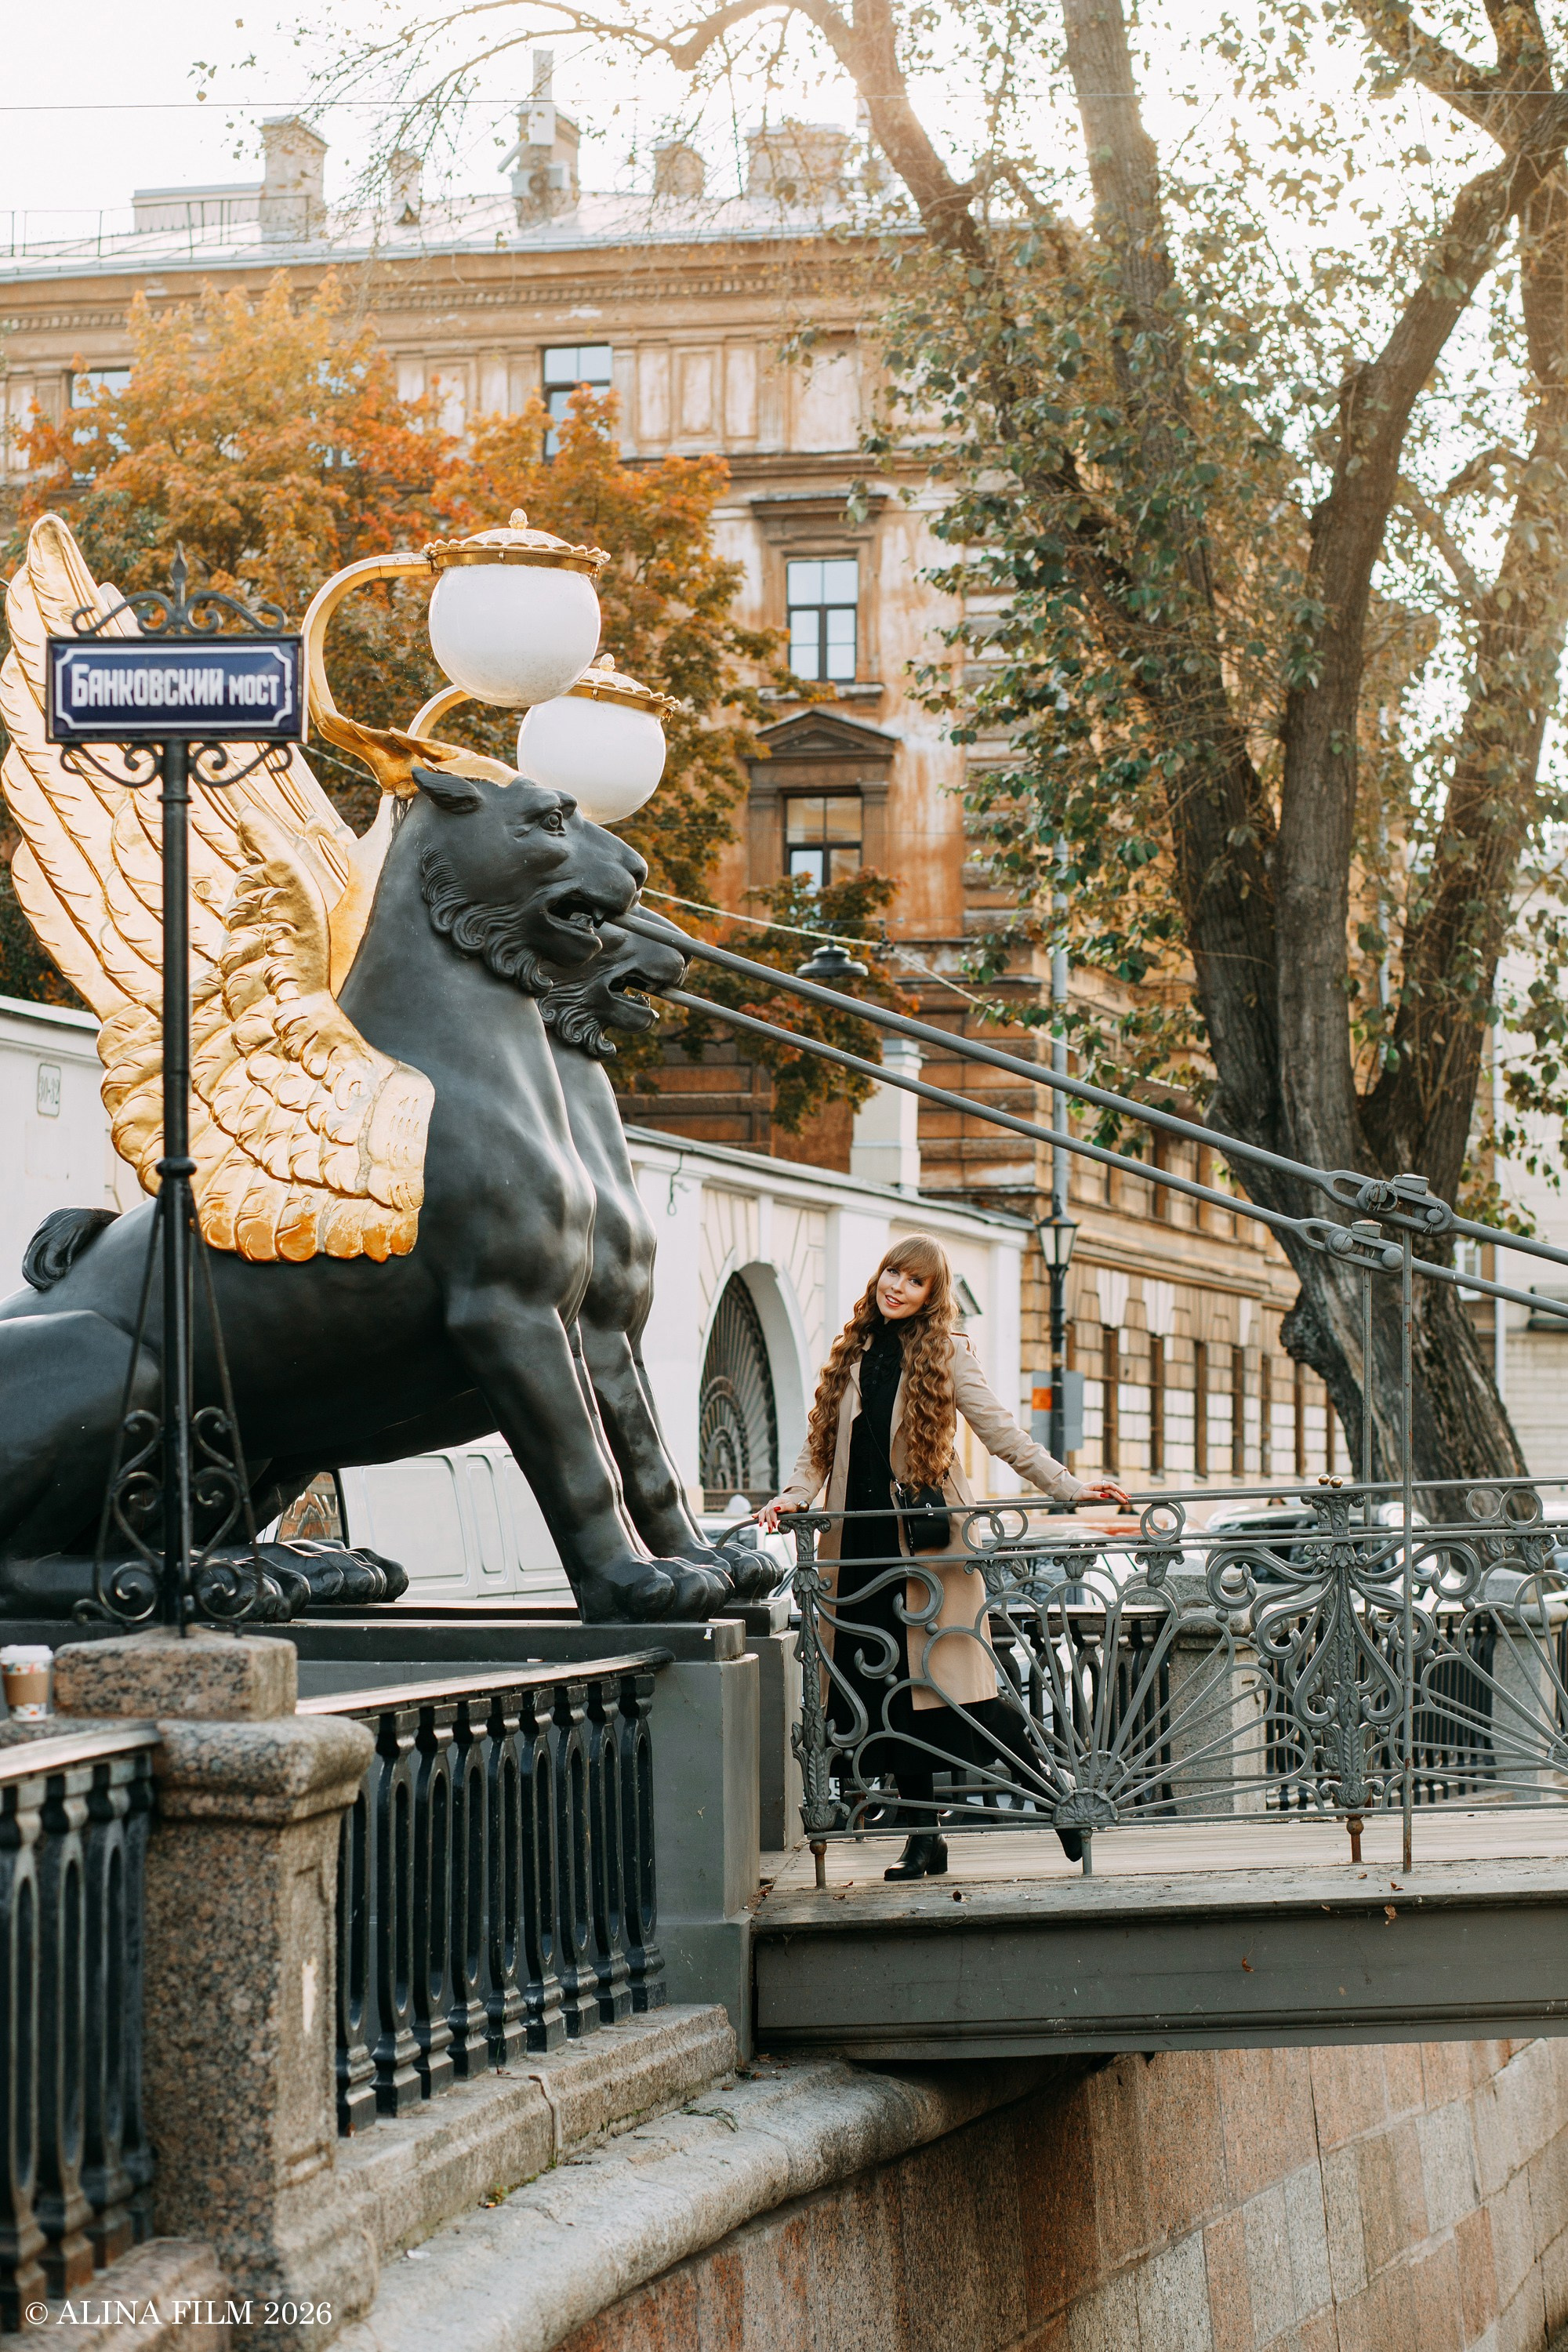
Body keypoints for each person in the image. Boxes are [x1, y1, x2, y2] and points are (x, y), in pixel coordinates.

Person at [760, 1234, 1127, 1880]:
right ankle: (924, 1841)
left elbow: (1002, 1433)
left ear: (933, 1294)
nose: (896, 1286)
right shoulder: (854, 1352)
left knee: (958, 1697)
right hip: (857, 1555)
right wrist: (792, 1499)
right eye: (891, 1272)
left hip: (928, 1554)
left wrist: (1069, 1487)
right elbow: (817, 1448)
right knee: (890, 1700)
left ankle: (1059, 1800)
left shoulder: (947, 1352)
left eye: (913, 1280)